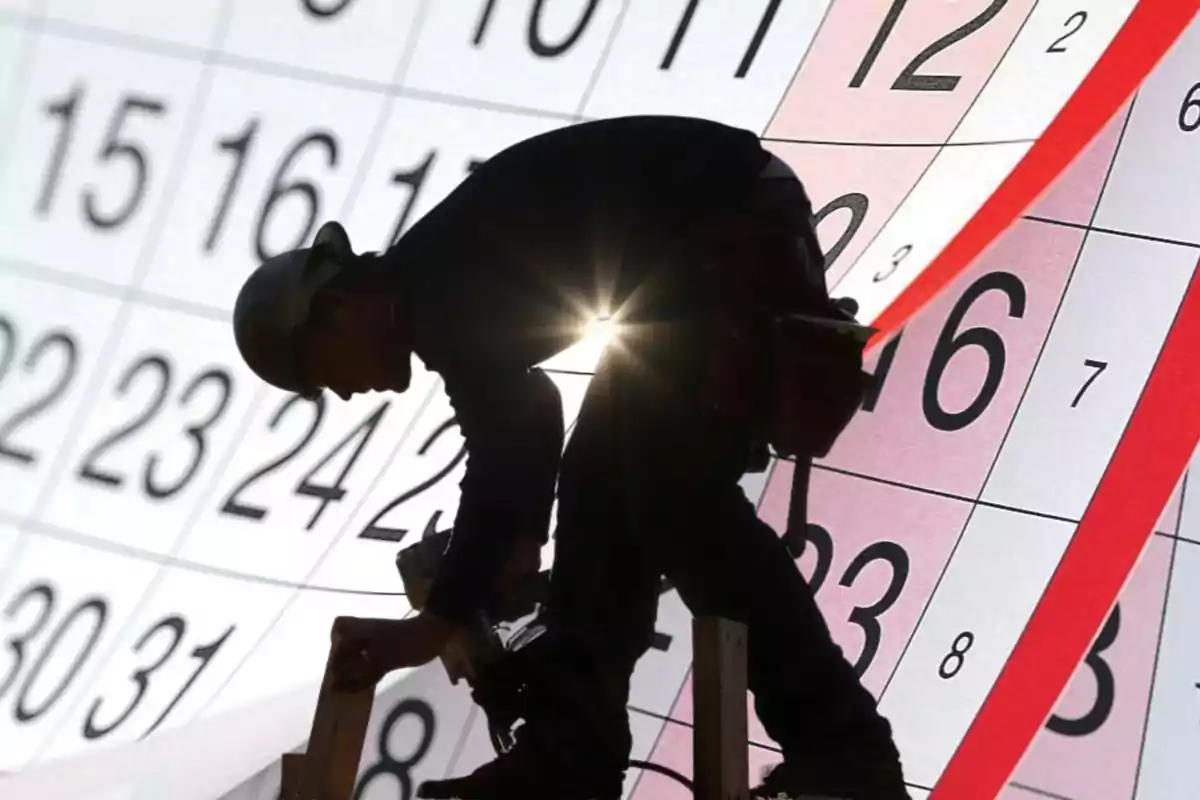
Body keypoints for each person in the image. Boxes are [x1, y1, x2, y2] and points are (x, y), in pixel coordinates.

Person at [231, 115, 910, 800]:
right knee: (614, 482)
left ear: (340, 306)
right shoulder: (433, 284)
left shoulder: (438, 292)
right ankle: (579, 752)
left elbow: (504, 444)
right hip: (710, 239)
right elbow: (530, 413)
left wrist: (435, 624)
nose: (344, 391)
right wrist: (523, 534)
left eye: (323, 371)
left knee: (663, 478)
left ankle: (827, 750)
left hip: (726, 226)